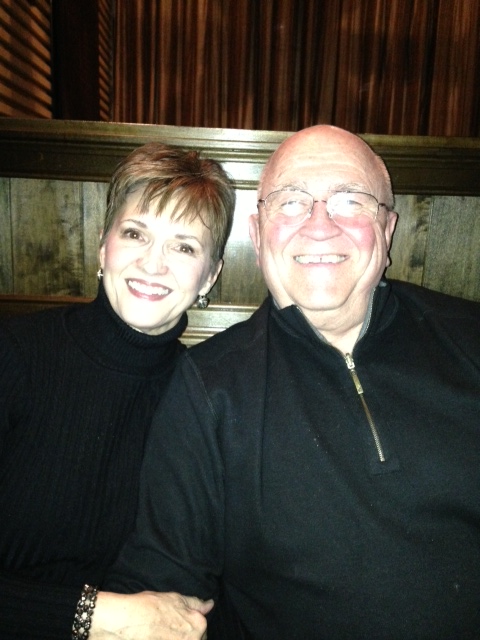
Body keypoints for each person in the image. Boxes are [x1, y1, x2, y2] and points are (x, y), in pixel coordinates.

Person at [104, 125, 480, 639]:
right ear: (258, 235)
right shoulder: (208, 388)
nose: (320, 225)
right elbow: (163, 589)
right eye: (291, 202)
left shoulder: (469, 338)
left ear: (388, 229)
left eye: (350, 200)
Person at [0, 141, 235, 639]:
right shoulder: (14, 356)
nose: (153, 264)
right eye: (135, 234)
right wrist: (98, 614)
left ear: (210, 276)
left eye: (184, 246)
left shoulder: (204, 395)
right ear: (103, 246)